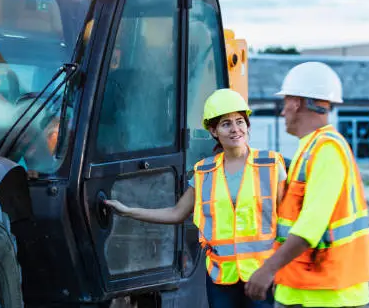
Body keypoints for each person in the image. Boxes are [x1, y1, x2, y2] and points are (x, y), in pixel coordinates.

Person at [105, 88, 288, 308]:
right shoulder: (204, 172)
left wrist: (283, 269)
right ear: (213, 131)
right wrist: (128, 211)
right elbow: (177, 213)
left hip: (262, 276)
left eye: (240, 121)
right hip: (221, 279)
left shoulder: (270, 164)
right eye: (226, 124)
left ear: (247, 125)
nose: (235, 129)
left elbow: (286, 221)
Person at [244, 62, 369, 308]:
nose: (283, 113)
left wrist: (267, 270)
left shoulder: (326, 150)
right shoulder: (310, 148)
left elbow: (310, 228)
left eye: (285, 104)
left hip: (327, 294)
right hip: (306, 289)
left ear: (296, 102)